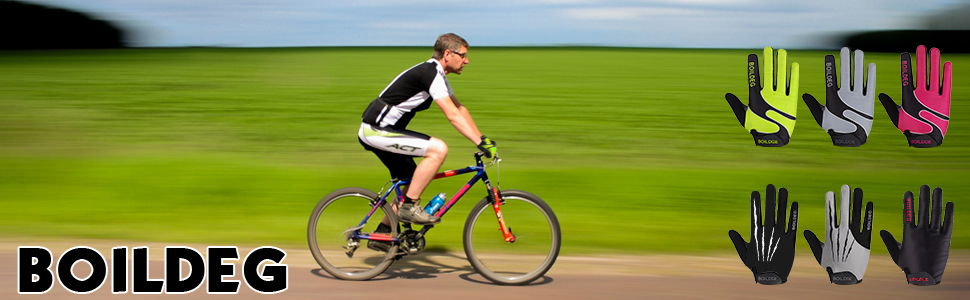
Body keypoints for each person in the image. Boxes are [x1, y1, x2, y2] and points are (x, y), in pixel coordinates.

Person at [357, 33, 497, 251]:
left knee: (412, 184)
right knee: (438, 149)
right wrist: (479, 142)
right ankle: (409, 207)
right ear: (448, 54)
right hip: (376, 131)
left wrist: (483, 139)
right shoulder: (430, 73)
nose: (467, 61)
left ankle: (381, 236)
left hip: (386, 132)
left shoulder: (437, 75)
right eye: (463, 55)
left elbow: (460, 109)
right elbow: (452, 115)